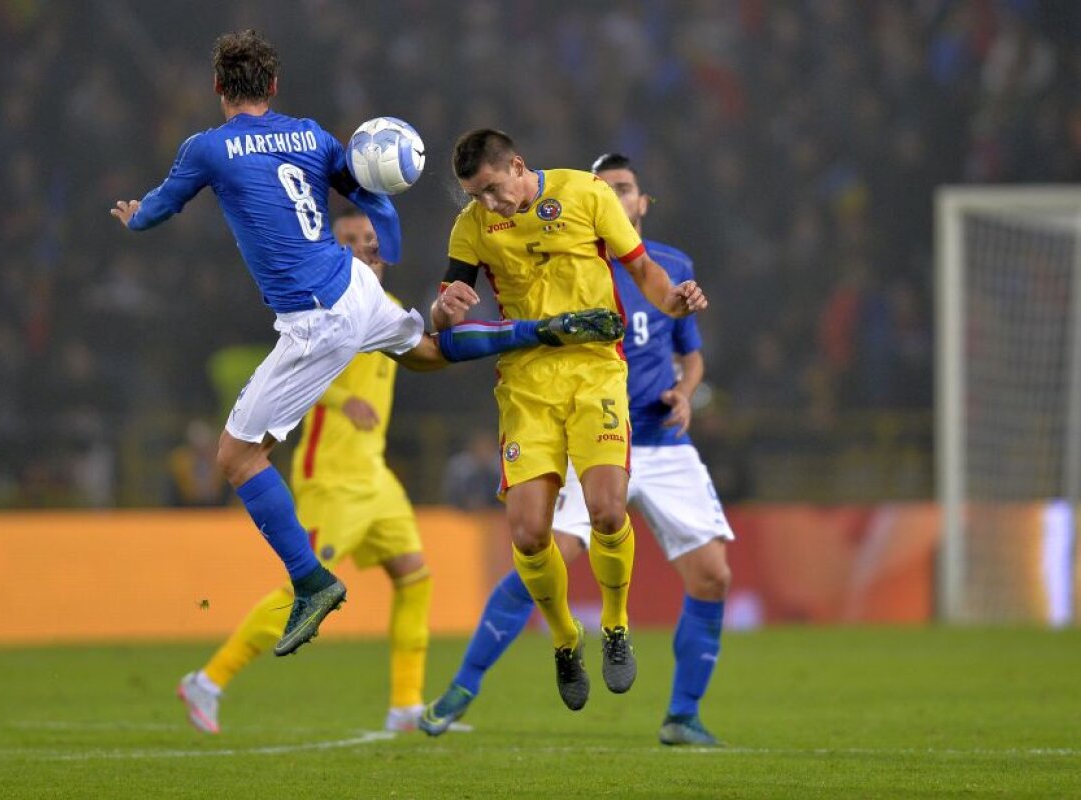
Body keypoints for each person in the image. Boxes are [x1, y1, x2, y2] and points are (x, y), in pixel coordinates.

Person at [110, 33, 626, 658]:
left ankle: (312, 583)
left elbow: (162, 208)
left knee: (237, 456)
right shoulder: (311, 135)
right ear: (273, 88)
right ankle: (541, 331)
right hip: (355, 284)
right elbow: (368, 192)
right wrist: (388, 243)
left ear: (218, 88)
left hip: (315, 315)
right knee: (425, 351)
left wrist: (135, 215)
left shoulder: (206, 148)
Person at [422, 153, 734, 746]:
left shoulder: (666, 267)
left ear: (642, 203)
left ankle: (683, 715)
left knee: (714, 574)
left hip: (658, 438)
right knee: (538, 545)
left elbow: (690, 352)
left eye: (625, 188)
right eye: (606, 187)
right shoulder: (571, 249)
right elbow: (461, 309)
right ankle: (464, 686)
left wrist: (688, 392)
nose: (613, 197)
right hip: (568, 423)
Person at [180, 209, 469, 733]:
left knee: (415, 577)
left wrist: (463, 330)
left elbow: (429, 352)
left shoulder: (390, 312)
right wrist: (339, 400)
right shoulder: (323, 307)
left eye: (372, 239)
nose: (366, 247)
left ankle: (405, 706)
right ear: (330, 251)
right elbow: (290, 372)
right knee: (306, 593)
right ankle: (208, 680)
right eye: (352, 240)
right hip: (332, 479)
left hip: (374, 479)